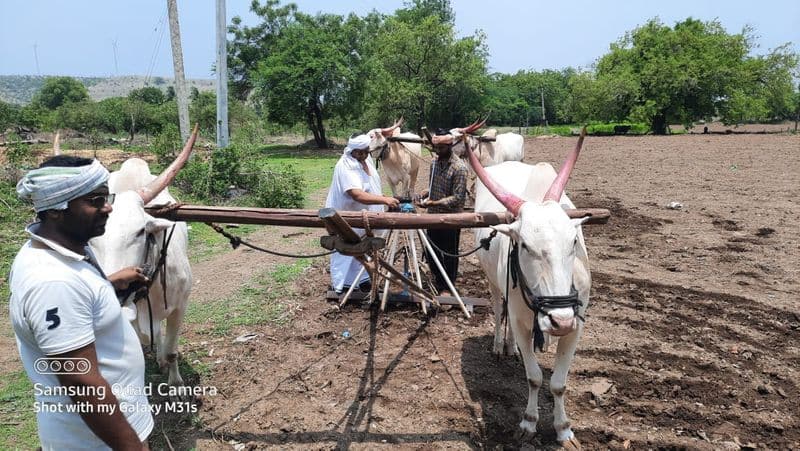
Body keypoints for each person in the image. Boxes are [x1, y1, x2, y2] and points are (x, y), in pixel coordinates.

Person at [10, 156, 153, 450]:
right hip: (97, 440)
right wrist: (132, 447)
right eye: (96, 200)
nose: (108, 207)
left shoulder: (64, 249)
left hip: (107, 429)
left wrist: (108, 283)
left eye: (107, 197)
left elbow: (75, 304)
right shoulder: (53, 283)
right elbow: (81, 382)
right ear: (56, 211)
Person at [325, 134, 399, 294]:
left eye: (366, 152)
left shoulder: (366, 160)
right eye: (359, 153)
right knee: (346, 249)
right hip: (346, 217)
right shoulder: (346, 165)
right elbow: (356, 194)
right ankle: (342, 285)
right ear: (351, 150)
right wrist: (384, 200)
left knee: (363, 248)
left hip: (362, 217)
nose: (363, 155)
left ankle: (363, 281)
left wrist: (382, 199)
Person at [417, 128, 468, 297]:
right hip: (432, 216)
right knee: (431, 250)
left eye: (441, 148)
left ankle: (448, 287)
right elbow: (433, 186)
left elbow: (458, 198)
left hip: (451, 218)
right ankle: (438, 281)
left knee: (449, 253)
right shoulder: (434, 163)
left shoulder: (459, 168)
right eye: (436, 149)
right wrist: (425, 193)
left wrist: (434, 202)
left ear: (450, 145)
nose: (438, 152)